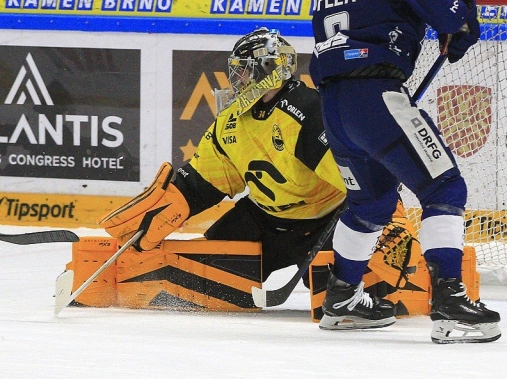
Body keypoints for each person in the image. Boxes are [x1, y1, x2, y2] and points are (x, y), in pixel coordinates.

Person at [310, 0, 501, 343]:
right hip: (375, 96)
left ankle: (341, 299)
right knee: (444, 186)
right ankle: (451, 303)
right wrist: (464, 20)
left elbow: (373, 19)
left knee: (371, 204)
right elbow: (446, 11)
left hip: (334, 106)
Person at [98, 28, 413, 287]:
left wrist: (389, 217)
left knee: (330, 287)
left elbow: (363, 177)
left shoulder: (308, 110)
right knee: (205, 275)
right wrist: (171, 201)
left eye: (244, 71)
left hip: (324, 222)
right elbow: (201, 183)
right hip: (264, 220)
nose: (237, 80)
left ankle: (409, 277)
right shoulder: (231, 120)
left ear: (269, 70)